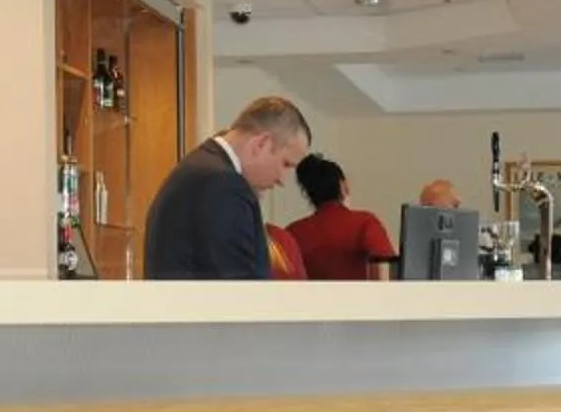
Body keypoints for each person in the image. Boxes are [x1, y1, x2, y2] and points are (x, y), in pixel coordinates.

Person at [143, 95, 310, 279]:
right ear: (261, 143)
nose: (282, 180)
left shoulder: (201, 169)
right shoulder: (223, 185)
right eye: (286, 164)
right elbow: (239, 292)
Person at [284, 156, 396, 281]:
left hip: (311, 300)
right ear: (343, 185)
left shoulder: (293, 232)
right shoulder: (365, 222)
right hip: (361, 299)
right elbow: (387, 269)